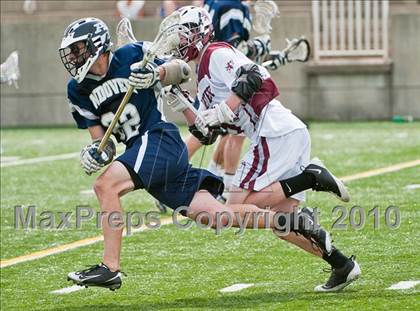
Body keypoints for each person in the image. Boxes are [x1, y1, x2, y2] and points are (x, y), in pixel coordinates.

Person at [60, 17, 332, 291]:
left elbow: (180, 69)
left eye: (78, 48)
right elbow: (103, 143)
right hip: (141, 152)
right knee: (217, 216)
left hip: (157, 140)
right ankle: (294, 223)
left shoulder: (132, 55)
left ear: (97, 44)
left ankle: (110, 267)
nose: (73, 56)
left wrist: (157, 74)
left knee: (105, 185)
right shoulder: (77, 91)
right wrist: (96, 153)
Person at [140, 6, 360, 292]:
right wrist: (183, 105)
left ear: (198, 33)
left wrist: (224, 108)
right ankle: (341, 264)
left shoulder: (215, 53)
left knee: (232, 209)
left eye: (182, 35)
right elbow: (207, 132)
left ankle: (310, 177)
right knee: (282, 225)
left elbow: (254, 76)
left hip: (273, 130)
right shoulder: (203, 74)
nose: (177, 43)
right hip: (281, 134)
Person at [186, 0, 273, 199]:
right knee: (227, 133)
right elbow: (234, 50)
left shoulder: (215, 2)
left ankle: (213, 177)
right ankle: (222, 187)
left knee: (217, 132)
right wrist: (257, 47)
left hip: (208, 72)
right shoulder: (233, 6)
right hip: (221, 77)